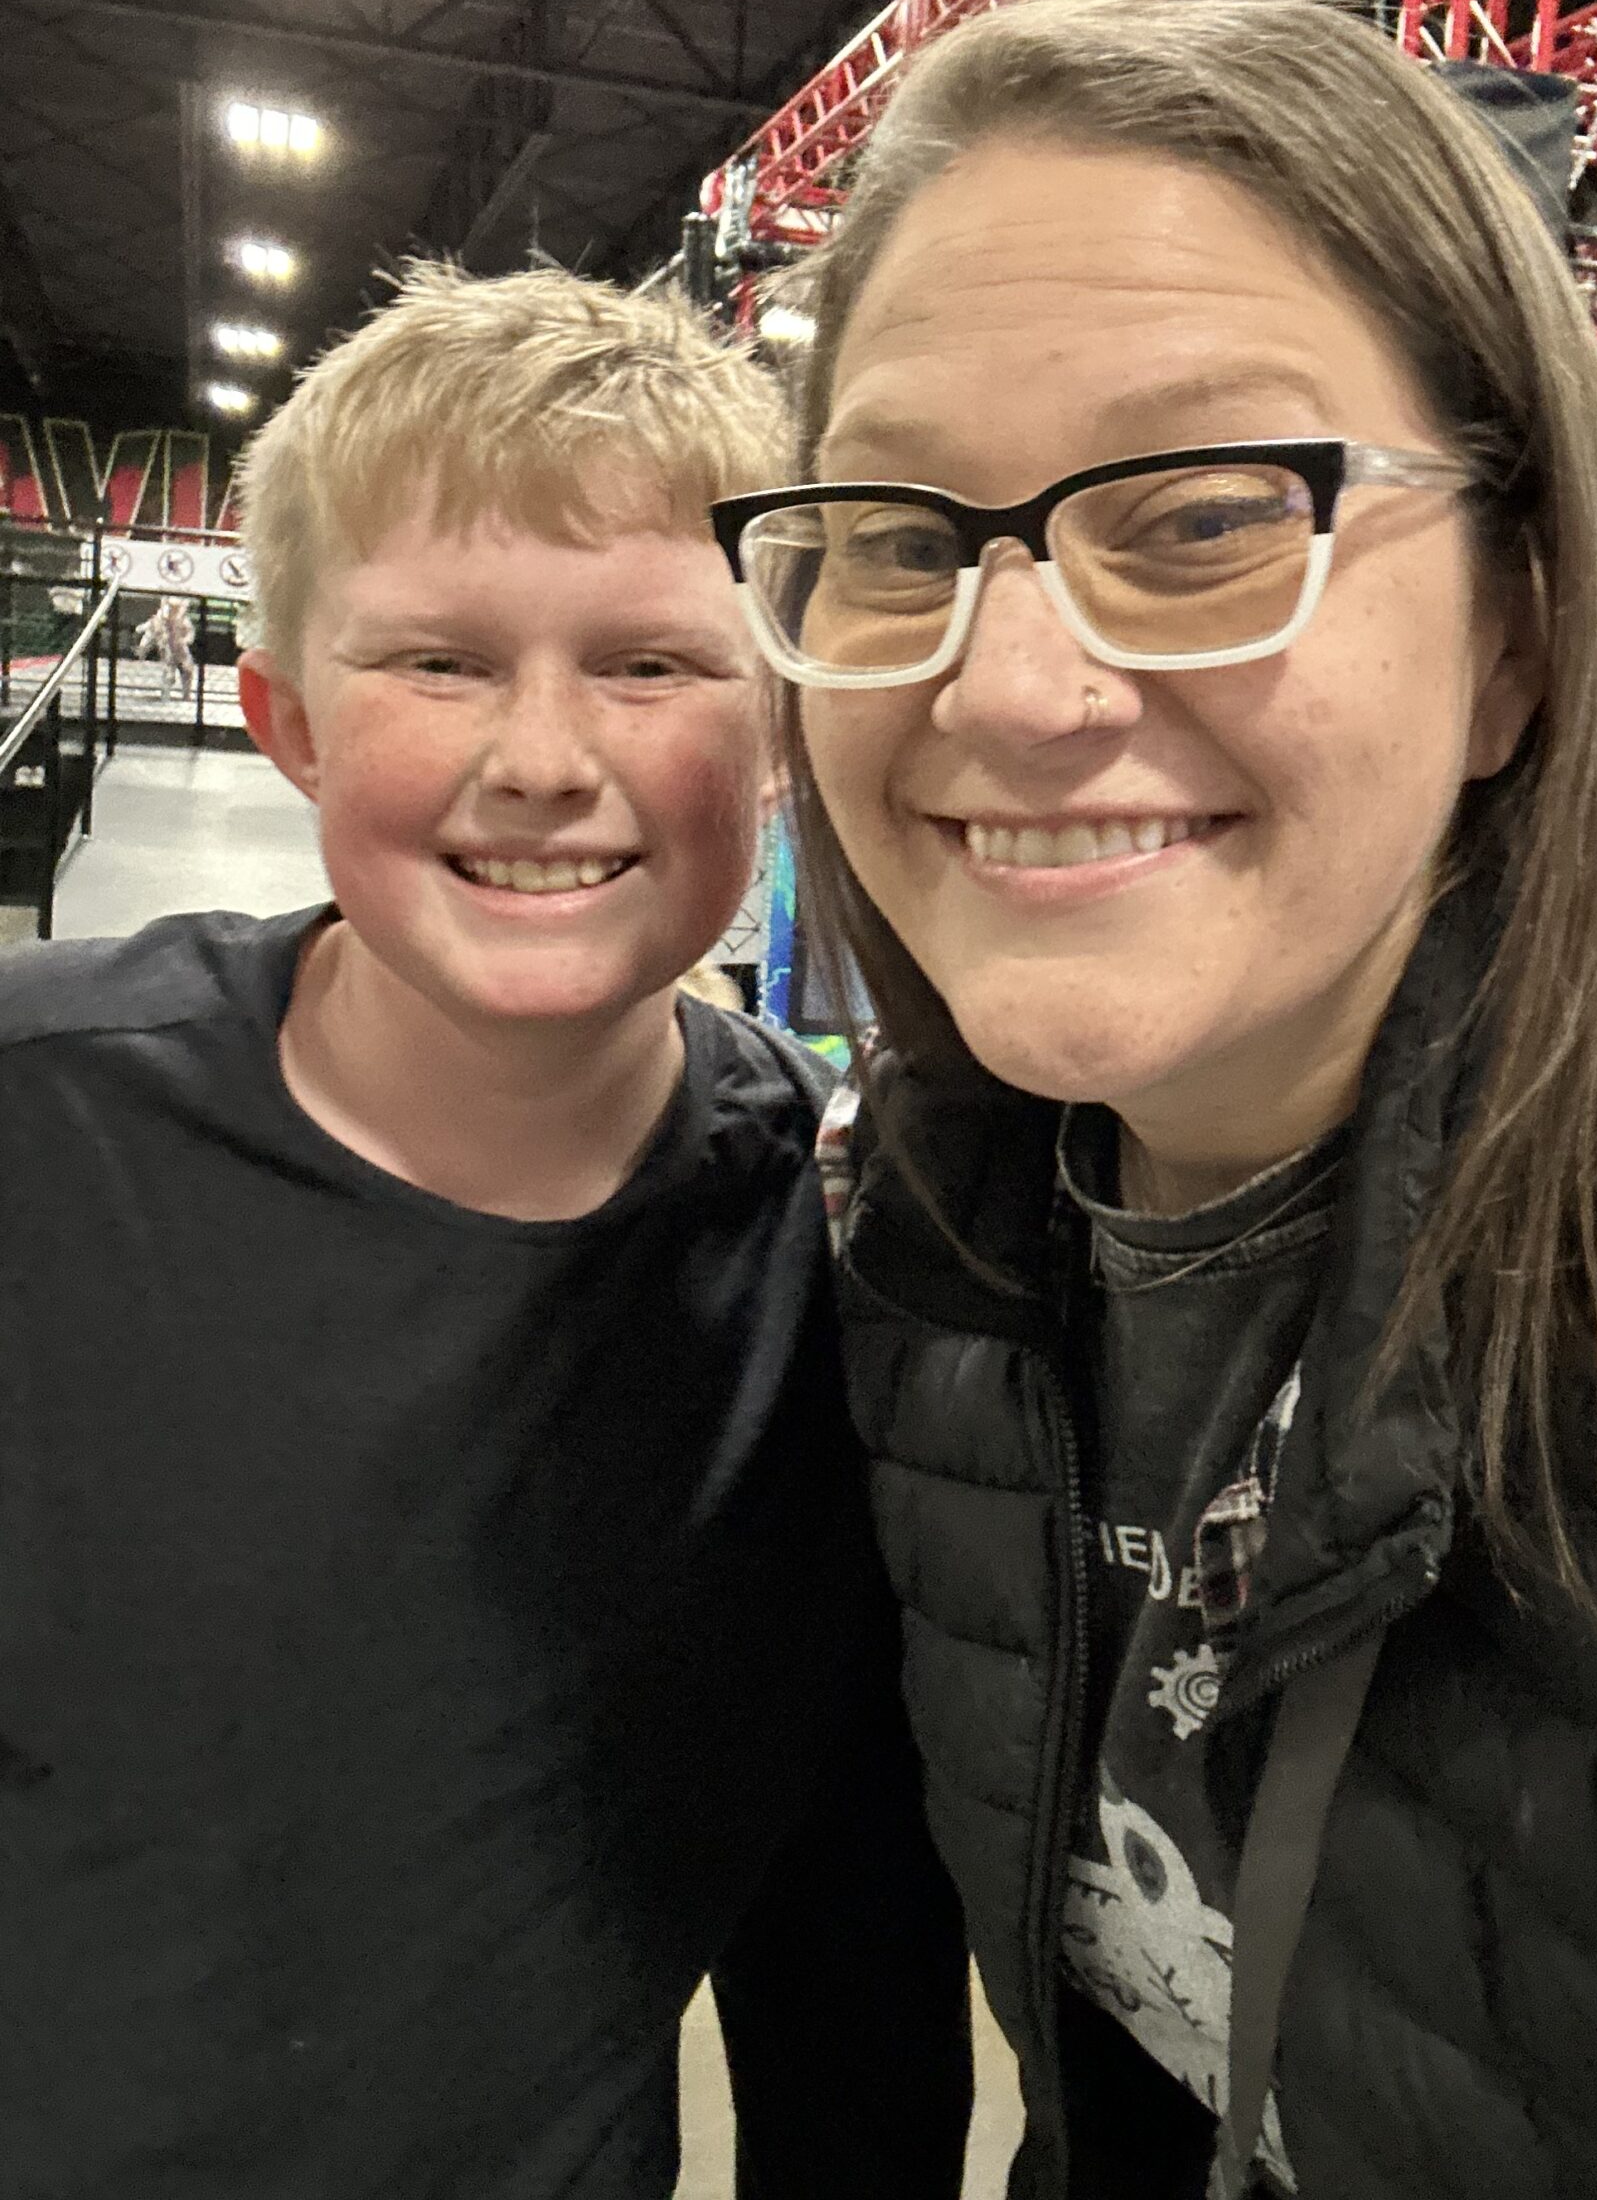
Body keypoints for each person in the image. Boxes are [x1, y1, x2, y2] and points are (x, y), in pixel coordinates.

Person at [710, 0, 1597, 2200]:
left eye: (1200, 519)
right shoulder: (922, 1203)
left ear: (1520, 628)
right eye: (899, 536)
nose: (1017, 687)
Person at [0, 263, 969, 2198]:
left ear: (781, 734)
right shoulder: (43, 1135)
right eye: (437, 662)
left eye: (651, 664)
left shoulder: (846, 1250)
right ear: (288, 721)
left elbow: (849, 1936)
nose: (541, 757)